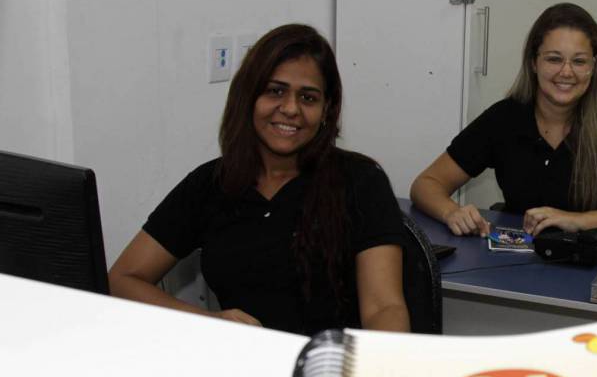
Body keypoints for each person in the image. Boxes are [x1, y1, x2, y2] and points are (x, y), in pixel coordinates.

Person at [109, 24, 410, 334]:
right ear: (249, 97)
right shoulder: (210, 183)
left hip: (330, 359)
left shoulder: (362, 181)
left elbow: (384, 307)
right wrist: (208, 320)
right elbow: (122, 278)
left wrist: (381, 360)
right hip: (240, 357)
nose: (291, 109)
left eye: (308, 98)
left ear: (326, 110)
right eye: (275, 91)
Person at [410, 3, 597, 238]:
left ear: (593, 67)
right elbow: (426, 184)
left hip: (591, 267)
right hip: (514, 263)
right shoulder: (504, 118)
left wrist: (579, 221)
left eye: (579, 61)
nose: (566, 72)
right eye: (554, 59)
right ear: (534, 62)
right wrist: (451, 212)